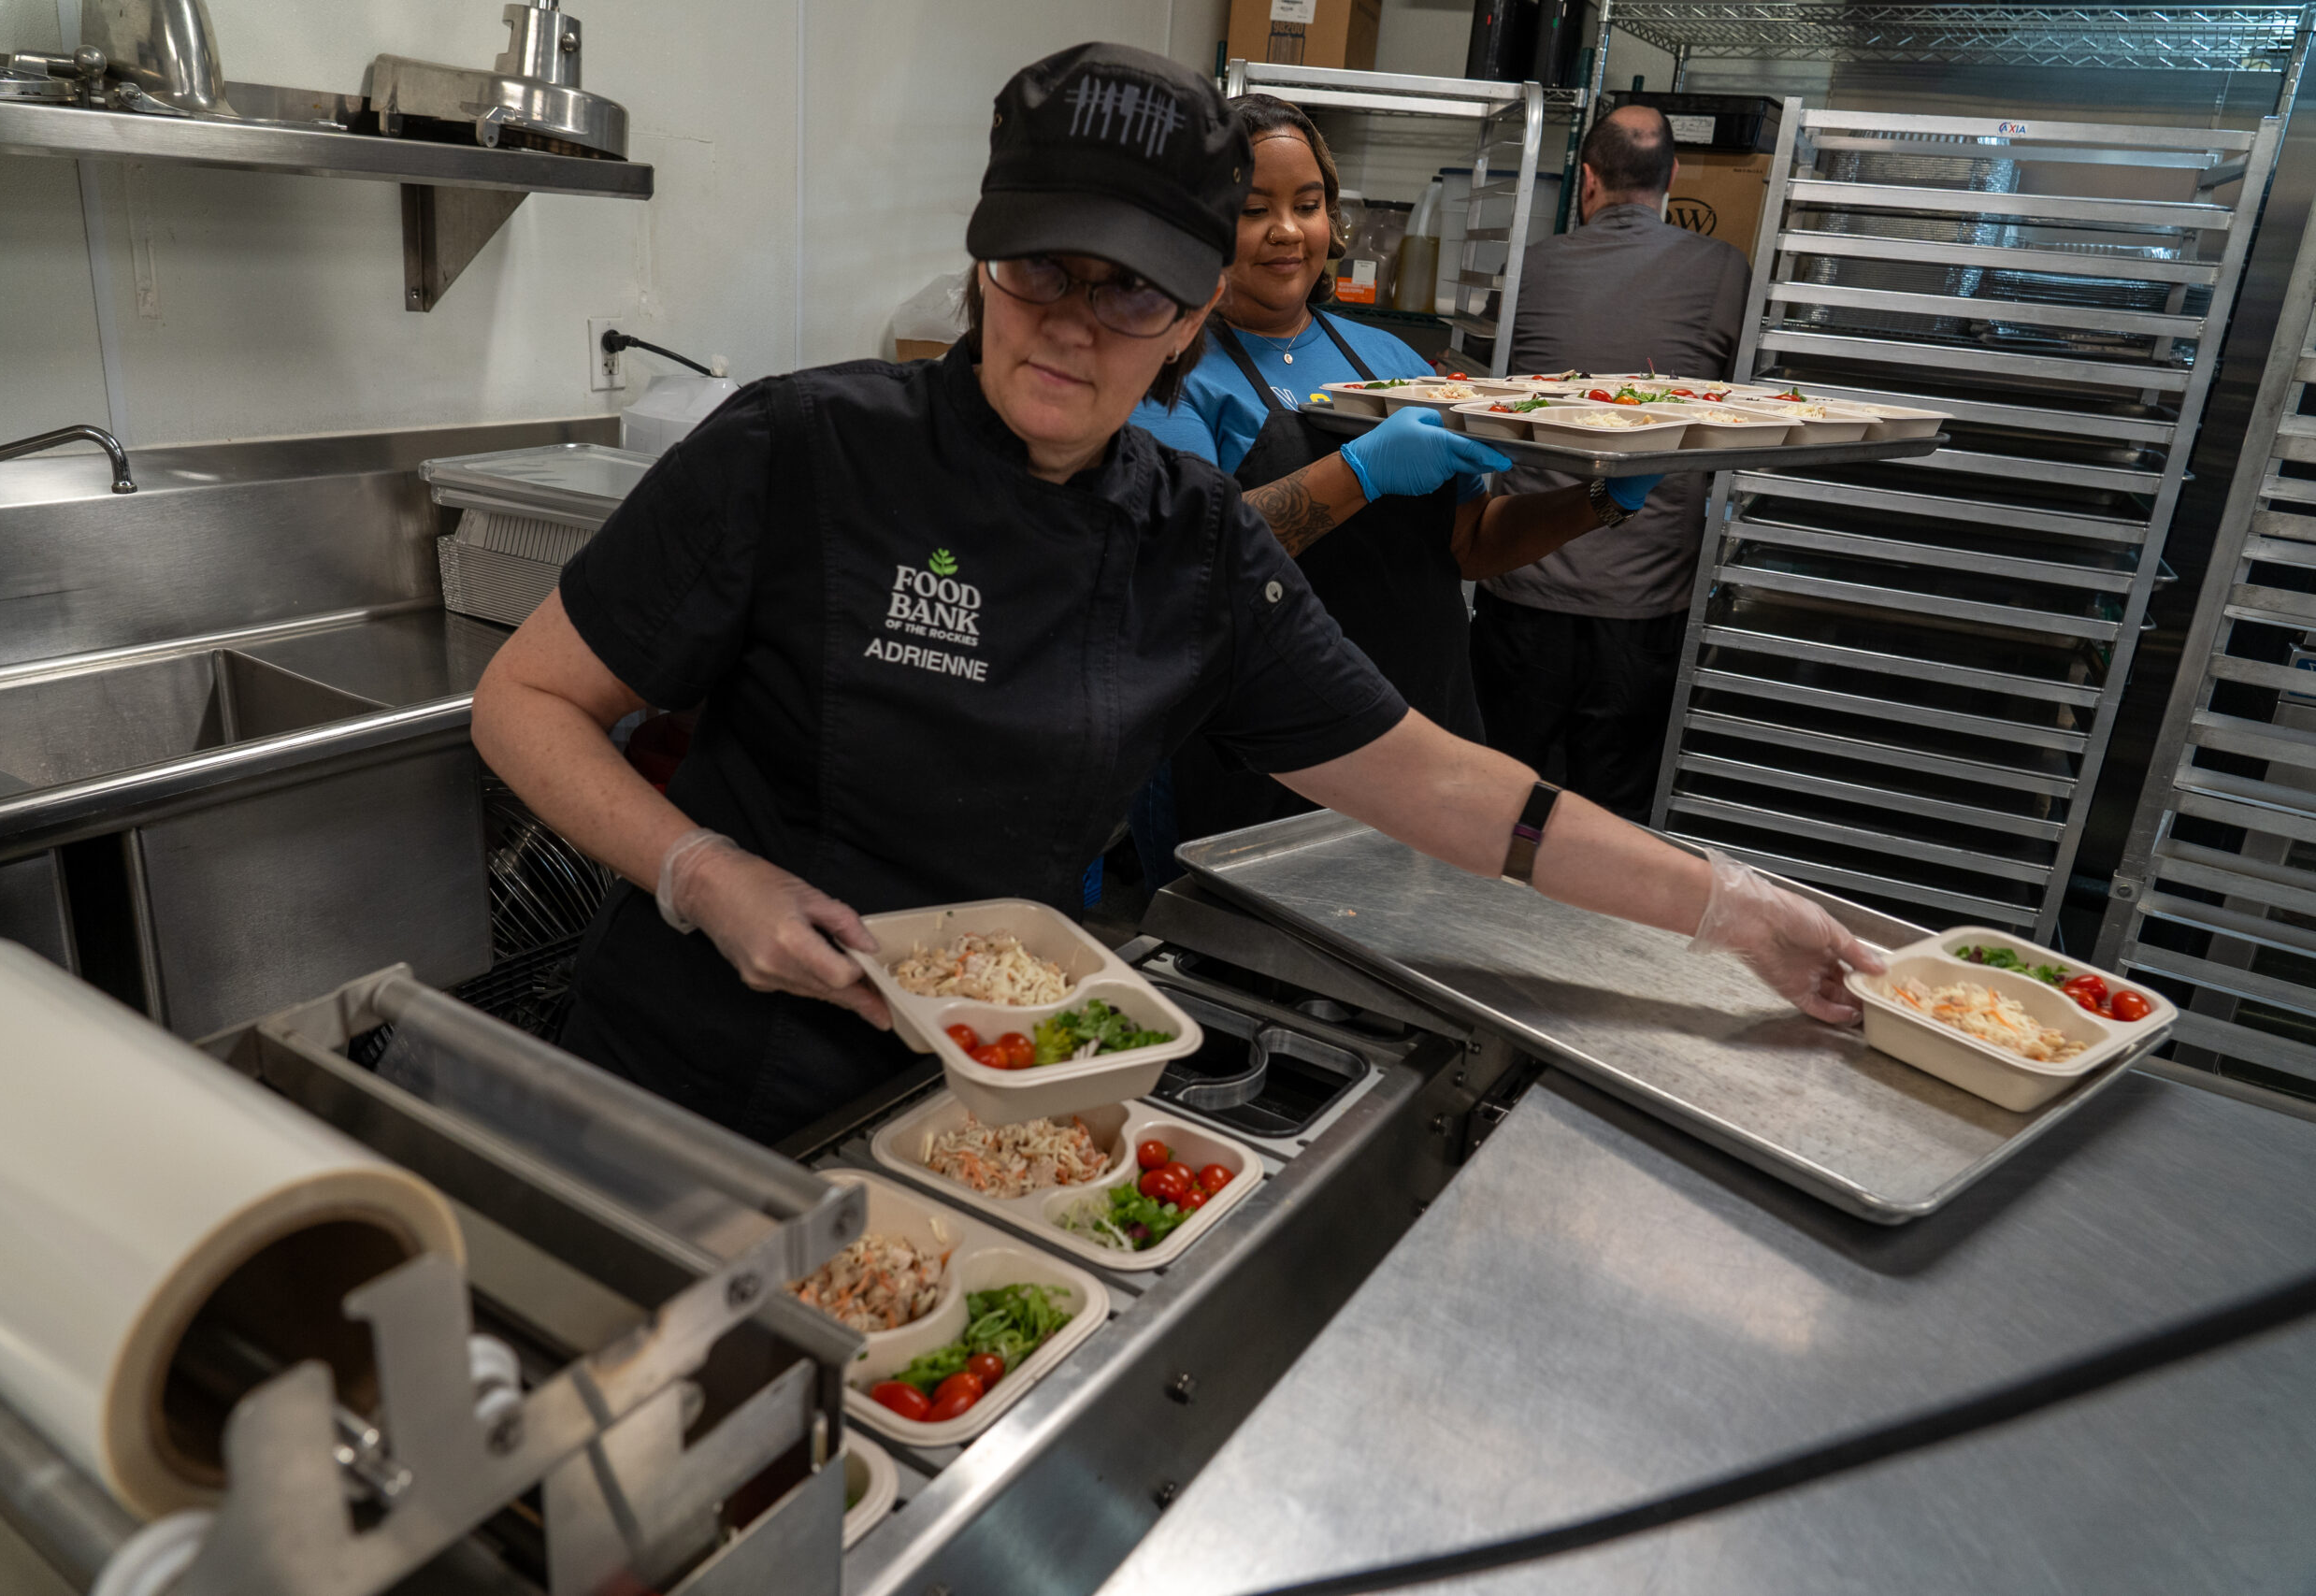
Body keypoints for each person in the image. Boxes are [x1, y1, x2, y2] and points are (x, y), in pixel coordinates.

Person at [468, 43, 1877, 1145]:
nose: (1071, 325)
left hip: (976, 1094)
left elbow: (1446, 786)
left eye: (1132, 293)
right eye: (1040, 268)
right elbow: (524, 700)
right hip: (686, 1079)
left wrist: (1736, 909)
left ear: (1194, 317)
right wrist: (702, 874)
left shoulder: (1193, 546)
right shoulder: (801, 448)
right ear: (983, 261)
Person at [1129, 93, 1658, 876]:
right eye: (1252, 209)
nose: (1288, 231)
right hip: (1259, 754)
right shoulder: (1168, 370)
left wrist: (1604, 496)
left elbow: (1469, 544)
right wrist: (1363, 470)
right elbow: (1189, 563)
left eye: (1308, 204)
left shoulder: (1391, 361)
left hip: (1419, 732)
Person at [1469, 104, 1751, 823]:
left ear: (1588, 179)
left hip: (1523, 587)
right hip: (1643, 605)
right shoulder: (1725, 271)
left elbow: (1482, 391)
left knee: (1495, 806)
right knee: (1609, 819)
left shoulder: (1530, 266)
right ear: (1672, 176)